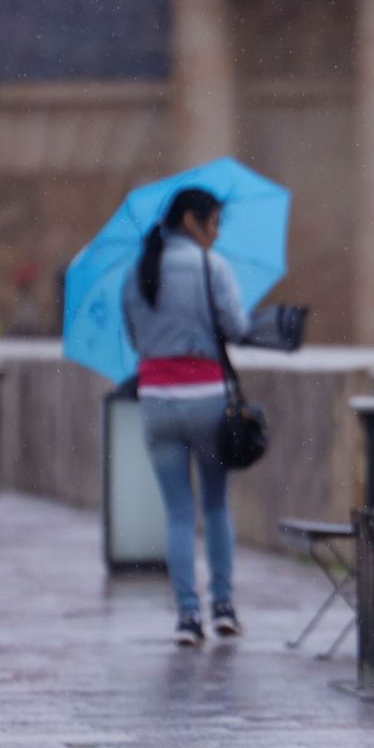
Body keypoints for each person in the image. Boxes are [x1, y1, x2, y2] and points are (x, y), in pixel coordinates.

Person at [122, 187, 249, 647]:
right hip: (206, 397)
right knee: (214, 506)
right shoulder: (210, 267)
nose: (215, 234)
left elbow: (136, 339)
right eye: (213, 224)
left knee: (178, 513)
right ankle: (223, 606)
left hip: (157, 399)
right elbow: (236, 328)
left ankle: (187, 617)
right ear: (192, 222)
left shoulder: (138, 271)